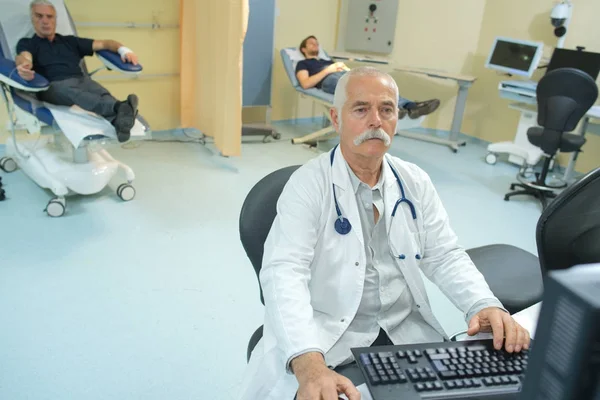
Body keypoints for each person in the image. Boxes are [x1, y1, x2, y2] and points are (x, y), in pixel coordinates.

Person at [238, 66, 531, 400]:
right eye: (361, 109)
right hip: (328, 335)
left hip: (403, 330)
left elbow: (444, 254)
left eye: (386, 109)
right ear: (336, 119)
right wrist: (309, 364)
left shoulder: (414, 181)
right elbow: (283, 273)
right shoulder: (308, 186)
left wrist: (482, 303)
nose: (375, 120)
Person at [15, 0, 140, 142]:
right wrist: (24, 65)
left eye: (49, 16)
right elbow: (24, 57)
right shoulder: (27, 43)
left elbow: (105, 43)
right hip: (53, 86)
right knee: (75, 93)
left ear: (55, 19)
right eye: (39, 16)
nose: (45, 21)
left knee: (98, 91)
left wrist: (124, 51)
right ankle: (120, 106)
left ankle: (118, 122)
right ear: (32, 19)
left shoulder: (70, 41)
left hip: (81, 80)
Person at [296, 35, 440, 120]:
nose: (316, 44)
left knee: (377, 83)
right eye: (311, 43)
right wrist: (330, 69)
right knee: (364, 89)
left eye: (317, 43)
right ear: (303, 49)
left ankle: (410, 106)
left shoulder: (327, 60)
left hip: (344, 74)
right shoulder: (303, 63)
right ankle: (394, 108)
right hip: (327, 80)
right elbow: (305, 84)